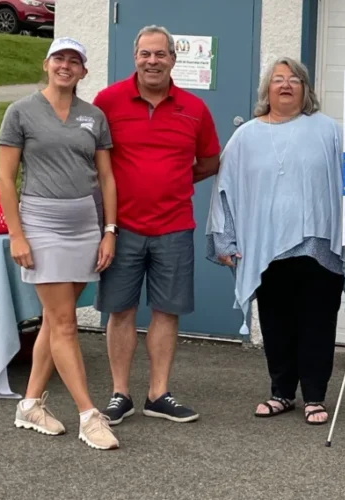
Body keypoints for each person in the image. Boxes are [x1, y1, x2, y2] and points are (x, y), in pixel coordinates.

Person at [206, 57, 345, 425]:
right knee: (277, 322)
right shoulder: (246, 136)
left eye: (294, 80)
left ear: (306, 90)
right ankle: (282, 393)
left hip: (318, 246)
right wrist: (224, 240)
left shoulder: (329, 131)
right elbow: (223, 190)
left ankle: (315, 398)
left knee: (318, 322)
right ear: (266, 90)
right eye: (277, 79)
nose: (286, 85)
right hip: (266, 247)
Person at [91, 25, 221, 426]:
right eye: (145, 54)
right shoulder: (107, 102)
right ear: (135, 57)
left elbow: (210, 161)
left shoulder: (194, 108)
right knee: (120, 310)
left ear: (172, 59)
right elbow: (94, 160)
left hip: (174, 226)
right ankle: (120, 394)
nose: (152, 61)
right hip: (121, 228)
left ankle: (158, 394)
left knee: (167, 311)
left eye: (160, 54)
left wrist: (175, 182)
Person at [0, 37, 120, 450]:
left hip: (86, 224)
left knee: (54, 321)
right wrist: (17, 233)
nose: (66, 66)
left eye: (74, 61)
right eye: (59, 59)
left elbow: (106, 177)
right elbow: (5, 179)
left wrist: (109, 231)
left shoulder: (94, 116)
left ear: (83, 70)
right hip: (41, 223)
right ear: (47, 64)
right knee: (65, 323)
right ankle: (89, 415)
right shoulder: (21, 112)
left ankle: (29, 404)